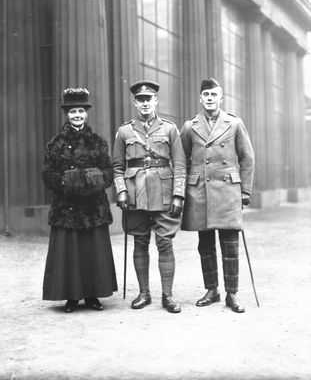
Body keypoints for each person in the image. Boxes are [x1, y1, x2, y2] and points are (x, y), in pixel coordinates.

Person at [180, 78, 255, 313]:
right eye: (206, 95)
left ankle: (232, 294)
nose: (210, 98)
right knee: (205, 245)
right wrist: (181, 192)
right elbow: (182, 160)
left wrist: (244, 190)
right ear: (200, 98)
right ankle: (211, 290)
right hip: (200, 191)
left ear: (221, 98)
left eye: (214, 94)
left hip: (227, 191)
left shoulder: (234, 124)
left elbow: (247, 158)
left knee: (230, 245)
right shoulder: (190, 126)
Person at [112, 80, 186, 313]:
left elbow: (181, 165)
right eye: (140, 100)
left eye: (149, 99)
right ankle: (144, 293)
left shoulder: (169, 129)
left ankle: (168, 295)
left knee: (165, 243)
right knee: (140, 242)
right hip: (135, 194)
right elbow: (116, 166)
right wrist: (121, 190)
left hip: (163, 193)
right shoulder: (124, 131)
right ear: (134, 102)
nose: (145, 103)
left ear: (156, 101)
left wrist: (178, 195)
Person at [42, 87, 117, 313]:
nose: (77, 115)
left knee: (92, 250)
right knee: (71, 251)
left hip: (93, 206)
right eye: (73, 111)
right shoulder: (56, 143)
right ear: (67, 114)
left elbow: (108, 171)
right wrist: (67, 182)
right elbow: (48, 174)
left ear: (86, 113)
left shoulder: (98, 141)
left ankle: (93, 296)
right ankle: (71, 297)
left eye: (81, 111)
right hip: (67, 207)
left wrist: (96, 179)